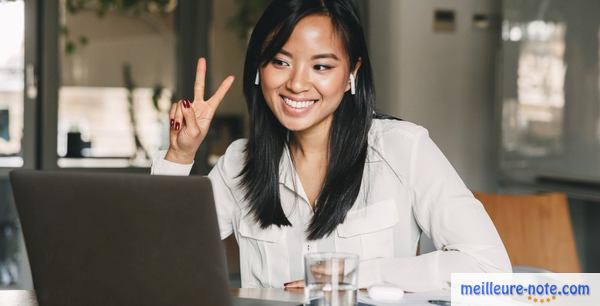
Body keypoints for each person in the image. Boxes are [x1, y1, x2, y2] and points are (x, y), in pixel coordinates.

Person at [151, 0, 511, 292]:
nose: (296, 83)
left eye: (321, 66)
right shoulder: (239, 163)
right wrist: (180, 155)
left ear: (352, 73)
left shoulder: (403, 149)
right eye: (280, 61)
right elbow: (159, 257)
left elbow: (488, 267)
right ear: (259, 68)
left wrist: (358, 276)